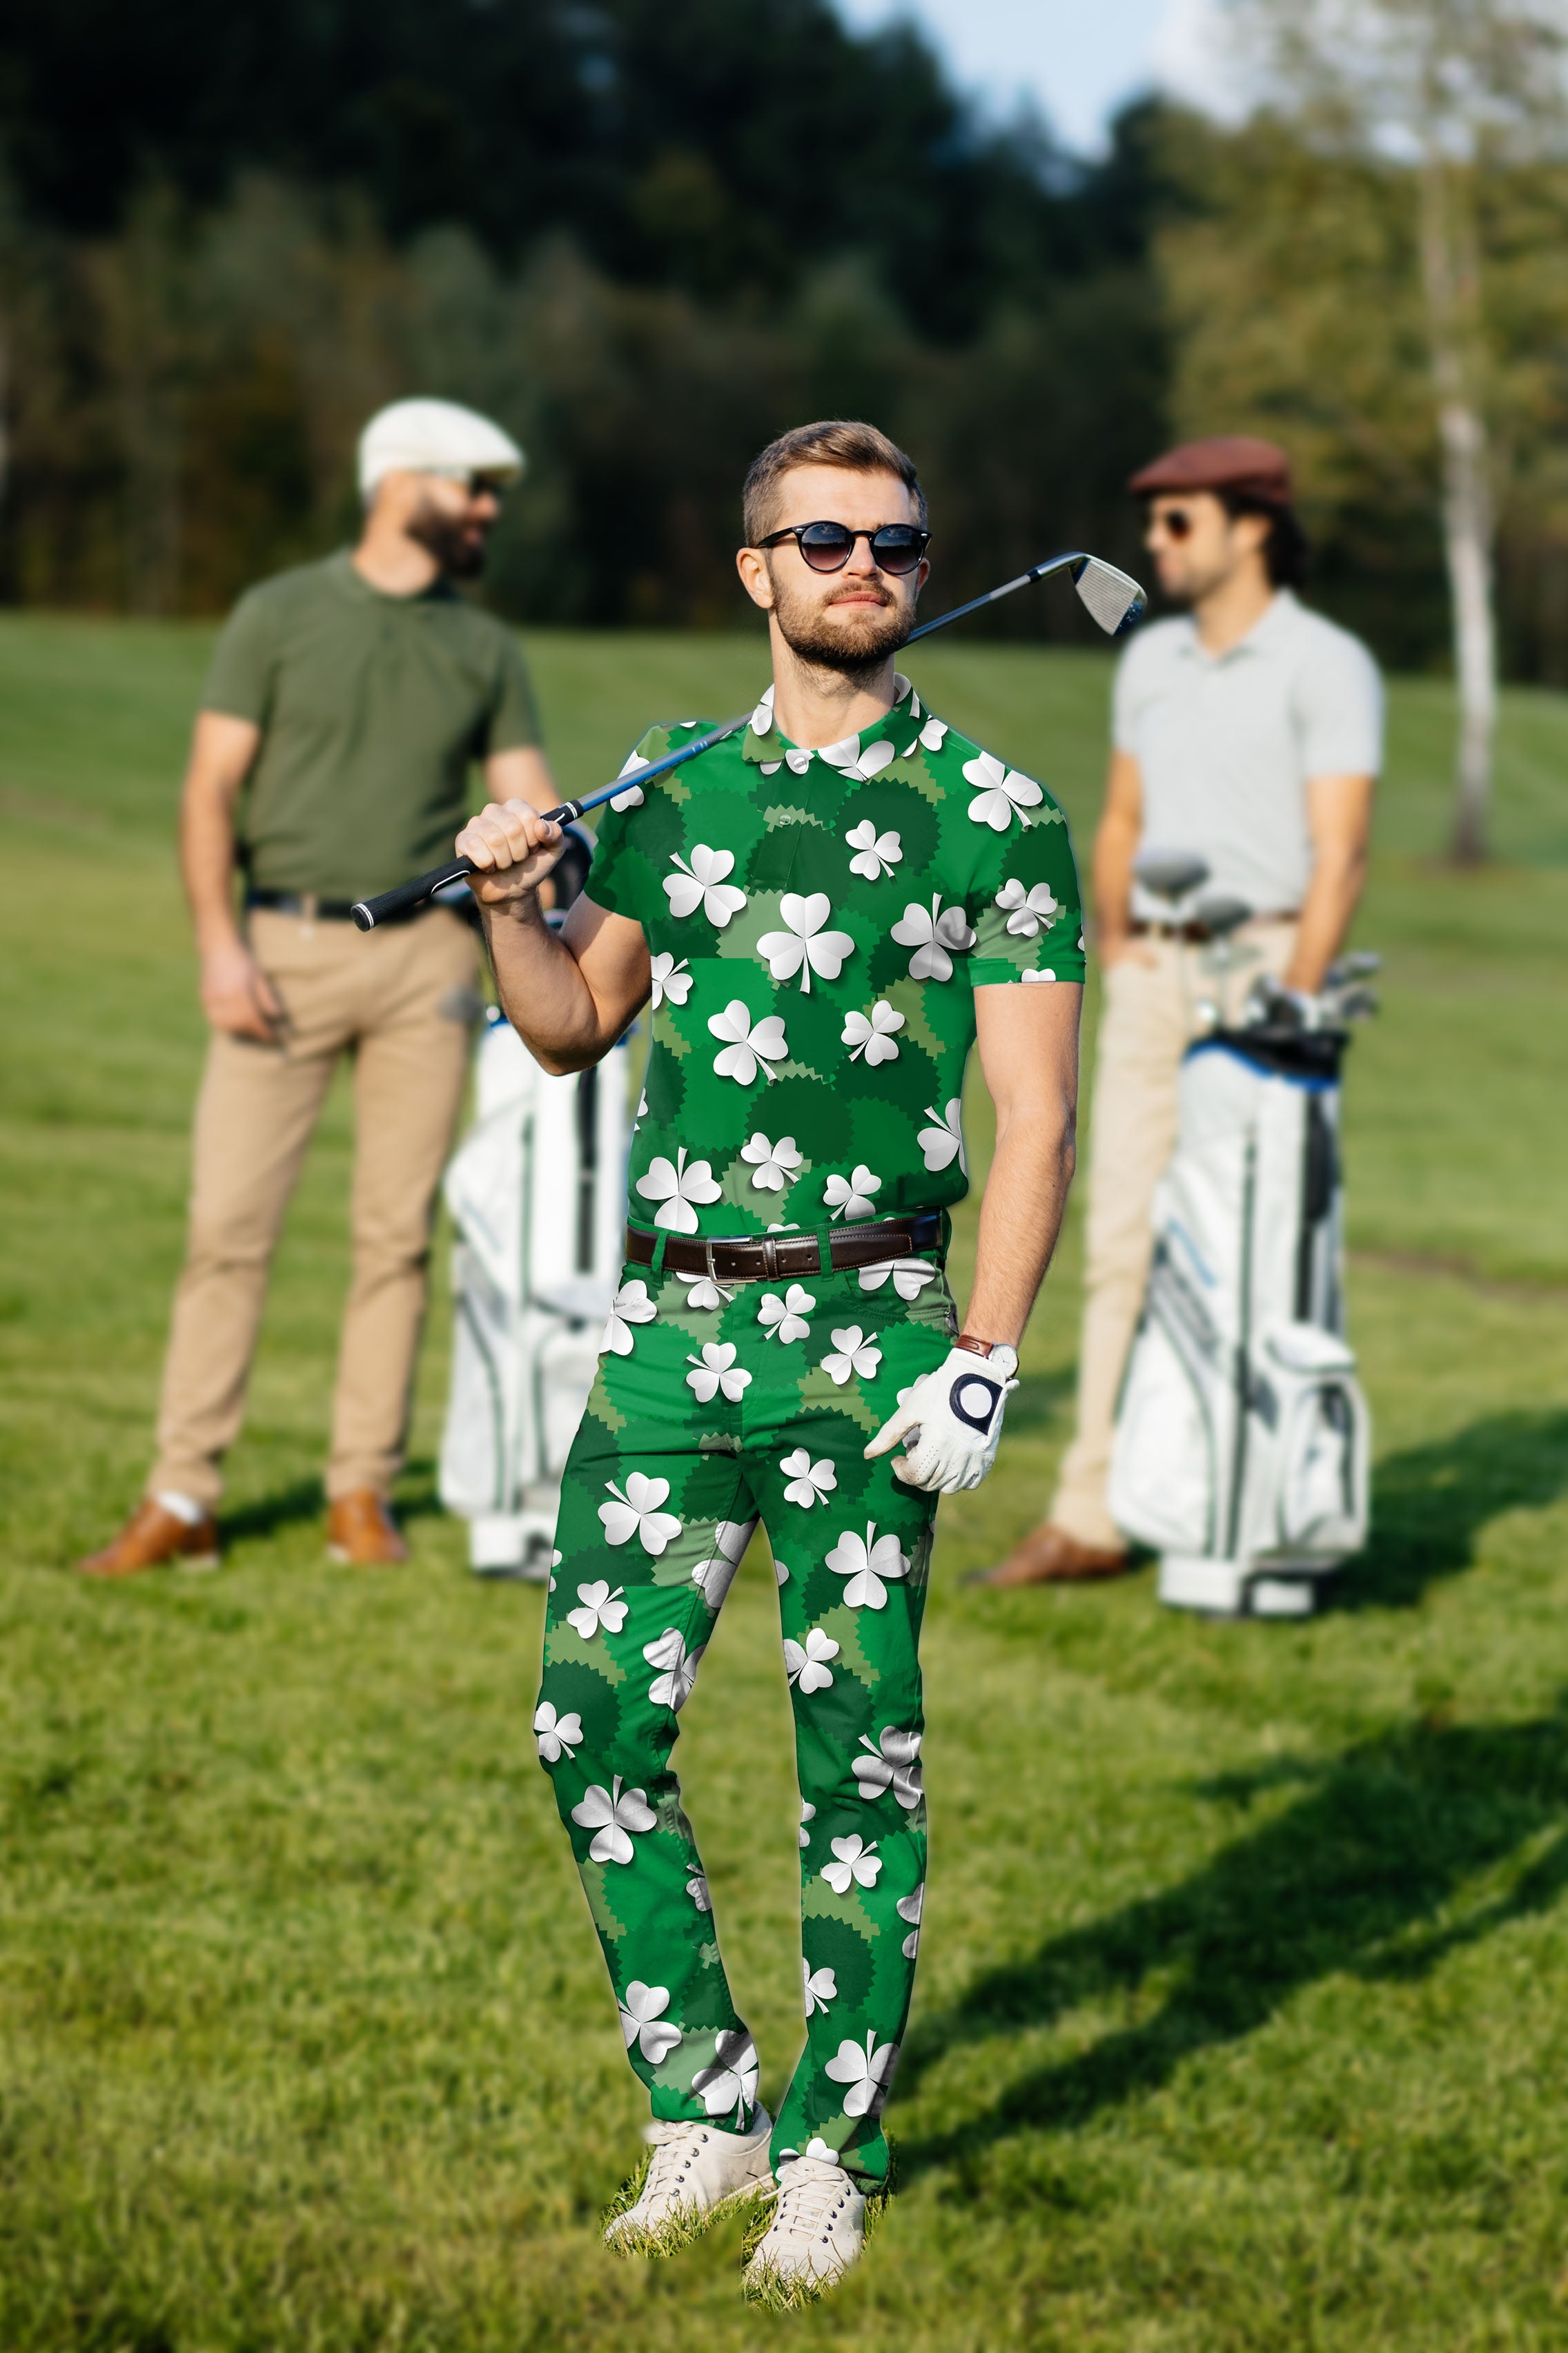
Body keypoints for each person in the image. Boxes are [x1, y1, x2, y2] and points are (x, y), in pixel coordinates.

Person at [453, 419, 1084, 2301]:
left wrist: (985, 1352)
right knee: (591, 1723)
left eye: (893, 540)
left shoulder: (998, 809)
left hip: (874, 1337)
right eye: (822, 540)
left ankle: (831, 2149)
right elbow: (571, 1025)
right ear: (759, 574)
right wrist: (509, 899)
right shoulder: (675, 792)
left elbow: (1036, 1116)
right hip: (670, 1334)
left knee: (858, 1756)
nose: (862, 566)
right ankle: (706, 2101)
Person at [78, 398, 557, 1577]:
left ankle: (360, 1496)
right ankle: (183, 1493)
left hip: (430, 966)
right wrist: (217, 946)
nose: (490, 509)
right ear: (400, 483)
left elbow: (534, 800)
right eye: (473, 486)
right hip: (278, 950)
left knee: (394, 1237)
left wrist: (556, 881)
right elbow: (209, 791)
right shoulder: (277, 614)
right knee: (226, 1231)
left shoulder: (484, 645)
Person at [980, 434, 1382, 1589]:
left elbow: (1342, 855)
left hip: (1265, 971)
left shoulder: (1326, 662)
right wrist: (1120, 947)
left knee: (1251, 1250)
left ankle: (1246, 1509)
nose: (1155, 544)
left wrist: (1294, 1004)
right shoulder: (1150, 662)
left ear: (1253, 526)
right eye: (1150, 523)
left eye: (1178, 522)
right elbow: (1120, 822)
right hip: (1154, 974)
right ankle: (1094, 1511)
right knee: (1117, 1246)